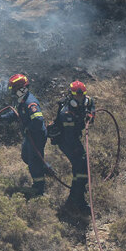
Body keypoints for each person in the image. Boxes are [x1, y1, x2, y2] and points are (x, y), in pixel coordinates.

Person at [0, 73, 48, 196]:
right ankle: (44, 167)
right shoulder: (21, 100)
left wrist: (29, 128)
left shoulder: (30, 102)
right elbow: (15, 115)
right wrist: (0, 118)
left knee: (34, 162)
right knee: (25, 156)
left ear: (21, 88)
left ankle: (39, 189)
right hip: (29, 136)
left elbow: (38, 121)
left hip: (36, 136)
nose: (13, 92)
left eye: (14, 89)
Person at [48, 80, 95, 212]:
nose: (80, 98)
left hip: (74, 138)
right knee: (81, 168)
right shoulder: (66, 113)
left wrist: (91, 115)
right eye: (77, 96)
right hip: (67, 141)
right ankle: (79, 202)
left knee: (80, 169)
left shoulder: (87, 100)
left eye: (82, 95)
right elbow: (69, 137)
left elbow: (92, 105)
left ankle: (73, 199)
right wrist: (78, 152)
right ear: (71, 95)